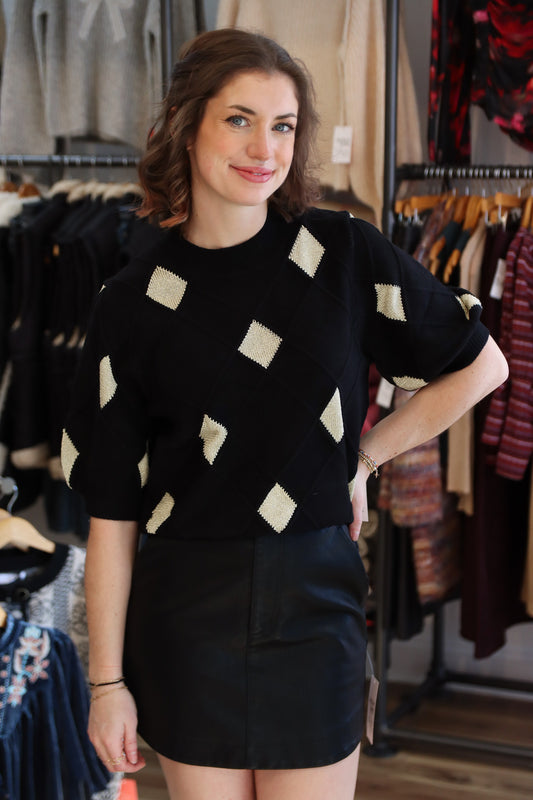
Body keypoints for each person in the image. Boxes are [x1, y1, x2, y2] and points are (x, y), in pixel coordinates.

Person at [61, 27, 508, 800]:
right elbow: (112, 515)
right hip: (187, 621)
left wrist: (362, 458)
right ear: (186, 126)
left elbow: (481, 365)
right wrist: (106, 685)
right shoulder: (130, 304)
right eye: (239, 119)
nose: (263, 148)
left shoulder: (342, 254)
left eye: (283, 125)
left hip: (315, 610)